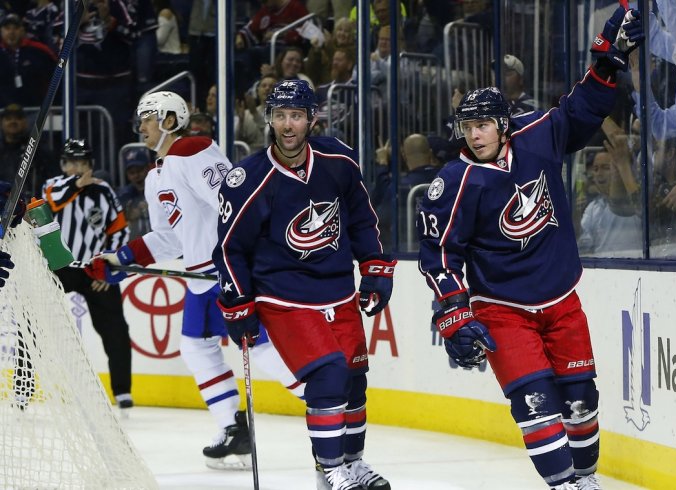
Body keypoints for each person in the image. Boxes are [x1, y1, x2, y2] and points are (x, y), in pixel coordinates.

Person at [416, 7, 643, 490]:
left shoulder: (537, 135)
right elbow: (438, 253)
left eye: (482, 125)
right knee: (535, 405)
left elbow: (579, 112)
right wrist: (455, 312)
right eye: (467, 126)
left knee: (581, 402)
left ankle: (585, 480)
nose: (474, 134)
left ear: (502, 124)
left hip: (561, 299)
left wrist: (605, 63)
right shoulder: (453, 182)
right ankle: (563, 487)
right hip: (503, 309)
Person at [86, 91, 307, 470]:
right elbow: (170, 238)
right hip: (199, 278)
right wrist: (121, 257)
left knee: (260, 349)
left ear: (170, 120)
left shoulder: (193, 149)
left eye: (148, 118)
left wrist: (244, 257)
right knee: (195, 348)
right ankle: (233, 430)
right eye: (140, 120)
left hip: (227, 271)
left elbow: (235, 201)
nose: (141, 127)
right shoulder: (157, 175)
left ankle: (327, 401)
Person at [214, 79, 393, 490]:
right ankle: (331, 469)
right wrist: (237, 303)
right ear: (269, 119)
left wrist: (375, 267)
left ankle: (352, 463)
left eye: (296, 115)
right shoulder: (249, 179)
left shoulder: (339, 161)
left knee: (353, 379)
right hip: (283, 296)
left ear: (313, 118)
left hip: (339, 292)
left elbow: (363, 220)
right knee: (329, 375)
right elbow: (228, 249)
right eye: (280, 115)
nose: (288, 125)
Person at [43, 139, 135, 410]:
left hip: (95, 270)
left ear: (90, 165)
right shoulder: (52, 185)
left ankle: (122, 392)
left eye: (82, 162)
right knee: (35, 320)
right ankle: (24, 388)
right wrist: (77, 184)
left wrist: (108, 269)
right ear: (63, 164)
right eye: (72, 162)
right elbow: (54, 202)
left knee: (116, 329)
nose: (77, 167)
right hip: (59, 268)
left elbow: (119, 230)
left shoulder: (103, 190)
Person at [117, 147, 152, 238]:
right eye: (132, 172)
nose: (136, 176)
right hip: (133, 247)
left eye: (139, 170)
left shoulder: (159, 190)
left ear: (148, 168)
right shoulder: (122, 196)